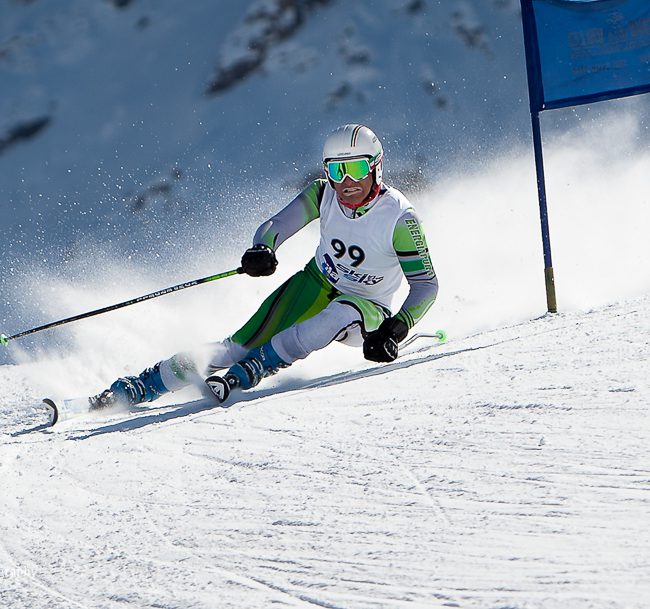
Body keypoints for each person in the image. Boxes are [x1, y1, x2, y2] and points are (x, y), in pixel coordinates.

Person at [91, 124, 438, 408]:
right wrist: (263, 248)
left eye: (357, 169)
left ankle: (257, 367)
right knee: (235, 346)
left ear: (376, 167)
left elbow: (425, 285)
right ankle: (137, 387)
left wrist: (396, 329)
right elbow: (277, 224)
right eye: (337, 169)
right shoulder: (323, 194)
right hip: (315, 284)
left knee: (340, 313)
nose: (347, 182)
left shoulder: (399, 219)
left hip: (368, 310)